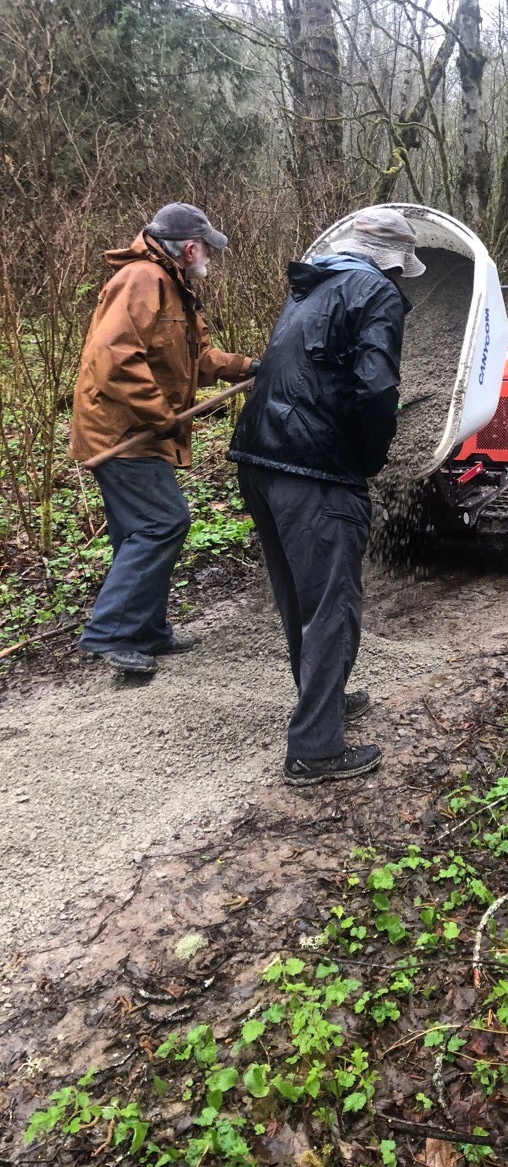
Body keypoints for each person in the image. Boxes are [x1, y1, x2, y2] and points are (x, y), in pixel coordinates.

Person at [227, 207, 425, 787]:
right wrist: (368, 460)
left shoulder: (310, 284)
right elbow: (377, 387)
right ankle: (315, 748)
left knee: (300, 599)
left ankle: (326, 699)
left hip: (260, 460)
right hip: (314, 467)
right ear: (393, 262)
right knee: (333, 605)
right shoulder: (378, 293)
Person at [69, 203, 258, 676]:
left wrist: (250, 366)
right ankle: (110, 631)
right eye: (207, 250)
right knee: (163, 522)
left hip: (136, 429)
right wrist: (162, 415)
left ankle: (146, 631)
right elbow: (114, 357)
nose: (209, 259)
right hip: (123, 432)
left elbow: (198, 356)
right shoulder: (142, 280)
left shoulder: (173, 287)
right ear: (189, 248)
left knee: (136, 531)